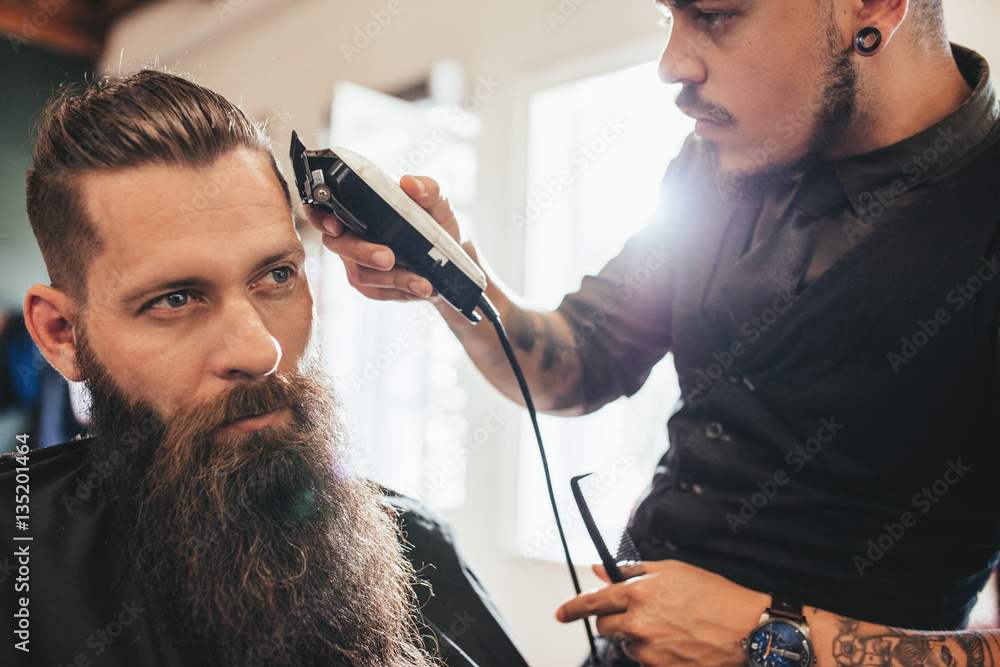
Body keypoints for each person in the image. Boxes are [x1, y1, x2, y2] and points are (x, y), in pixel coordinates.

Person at [312, 0, 1000, 665]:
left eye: (716, 15)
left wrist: (767, 641)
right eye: (667, 18)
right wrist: (454, 277)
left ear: (872, 6)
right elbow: (577, 359)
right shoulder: (718, 164)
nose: (671, 64)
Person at [0, 69, 528, 667]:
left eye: (277, 276)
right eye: (175, 298)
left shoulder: (420, 550)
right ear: (61, 335)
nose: (260, 353)